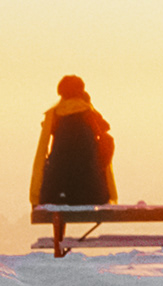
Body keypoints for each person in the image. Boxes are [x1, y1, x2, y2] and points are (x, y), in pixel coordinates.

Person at [29, 75, 118, 206]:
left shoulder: (53, 116)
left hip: (56, 194)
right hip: (91, 193)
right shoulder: (89, 113)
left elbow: (41, 153)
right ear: (81, 92)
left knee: (55, 166)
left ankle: (59, 224)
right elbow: (106, 136)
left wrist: (36, 196)